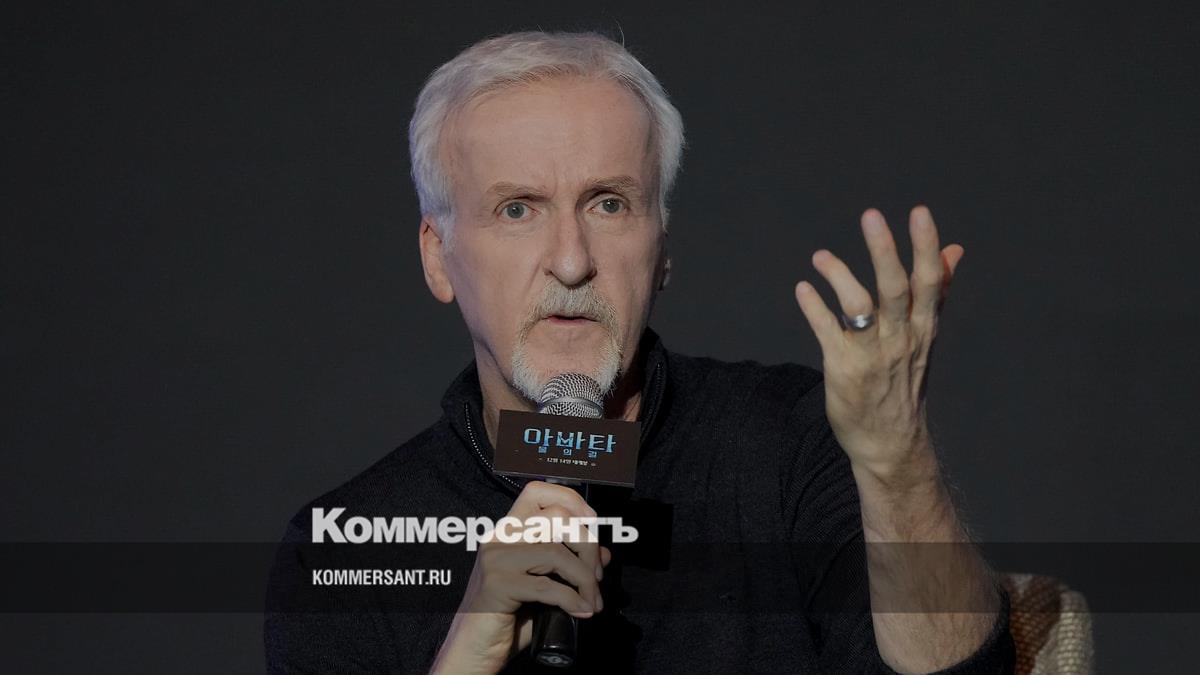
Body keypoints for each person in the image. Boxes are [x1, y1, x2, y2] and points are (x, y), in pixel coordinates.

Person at [265, 30, 1015, 674]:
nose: (570, 261)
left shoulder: (795, 440)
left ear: (662, 249)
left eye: (609, 203)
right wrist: (465, 655)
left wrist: (895, 463)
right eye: (518, 209)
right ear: (438, 257)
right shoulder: (345, 548)